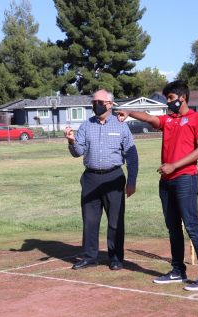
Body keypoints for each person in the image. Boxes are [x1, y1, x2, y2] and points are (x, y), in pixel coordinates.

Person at [116, 80, 198, 291]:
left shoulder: (197, 118)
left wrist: (174, 166)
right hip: (166, 181)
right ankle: (177, 270)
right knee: (173, 227)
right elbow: (150, 118)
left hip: (186, 178)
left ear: (183, 98)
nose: (168, 103)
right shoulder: (169, 120)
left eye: (170, 98)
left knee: (191, 225)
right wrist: (129, 112)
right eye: (167, 99)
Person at [64, 89, 138, 271]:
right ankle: (89, 257)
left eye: (99, 101)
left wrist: (132, 181)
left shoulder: (121, 126)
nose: (95, 104)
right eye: (93, 102)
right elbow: (78, 153)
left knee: (115, 221)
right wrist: (72, 141)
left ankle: (115, 258)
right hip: (90, 178)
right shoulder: (86, 125)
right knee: (89, 220)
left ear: (110, 104)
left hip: (114, 178)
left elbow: (132, 154)